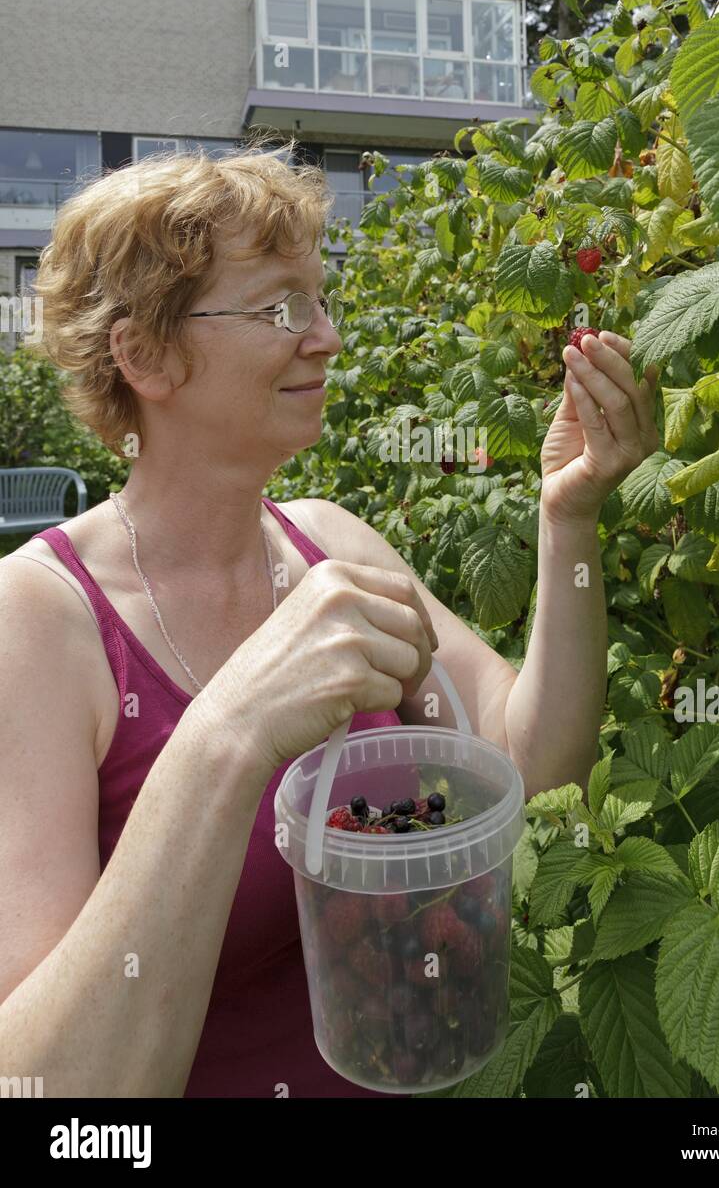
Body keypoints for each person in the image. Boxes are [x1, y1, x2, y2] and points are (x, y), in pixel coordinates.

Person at [0, 145, 658, 1097]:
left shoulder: (328, 545)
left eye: (320, 298)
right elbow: (51, 1097)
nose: (329, 337)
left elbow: (533, 761)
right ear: (142, 352)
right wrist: (227, 734)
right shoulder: (39, 621)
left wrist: (569, 520)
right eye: (279, 307)